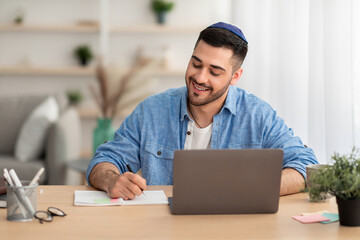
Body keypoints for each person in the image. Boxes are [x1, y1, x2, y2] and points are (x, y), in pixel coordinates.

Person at [86, 22, 318, 200]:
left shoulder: (258, 115)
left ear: (235, 76)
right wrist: (112, 180)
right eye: (196, 63)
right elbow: (104, 160)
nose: (199, 77)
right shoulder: (152, 110)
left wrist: (252, 188)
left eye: (214, 71)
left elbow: (306, 166)